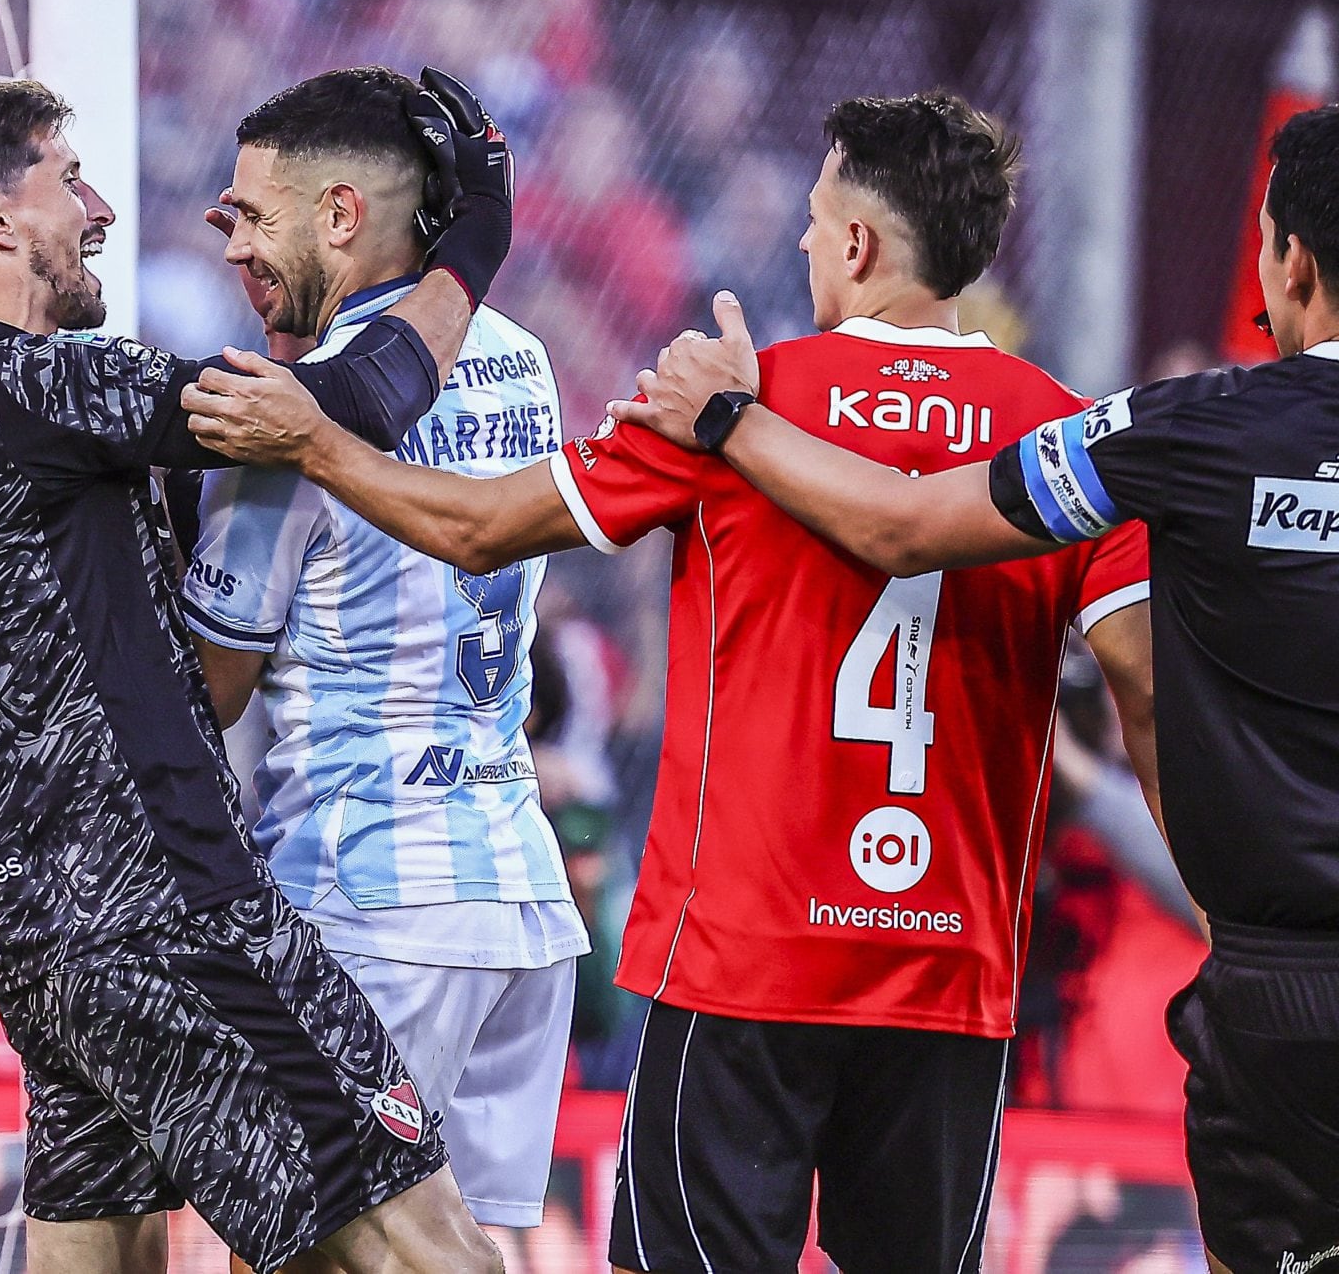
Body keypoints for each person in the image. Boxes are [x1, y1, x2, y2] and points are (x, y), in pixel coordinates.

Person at [182, 91, 1157, 1273]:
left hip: (731, 956)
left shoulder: (724, 402)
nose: (799, 243)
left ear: (855, 244)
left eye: (811, 220)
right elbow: (1142, 691)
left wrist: (313, 443)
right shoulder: (1063, 439)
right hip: (947, 971)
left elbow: (484, 527)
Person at [618, 103, 1339, 1274]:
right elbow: (1138, 683)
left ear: (1290, 260)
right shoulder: (1079, 409)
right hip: (968, 968)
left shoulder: (1179, 429)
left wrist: (726, 418)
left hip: (1261, 973)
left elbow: (903, 528)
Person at [0, 74, 516, 1274]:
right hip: (167, 907)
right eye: (66, 182)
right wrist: (476, 240)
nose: (98, 208)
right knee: (432, 1250)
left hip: (31, 929)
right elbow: (347, 406)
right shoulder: (41, 386)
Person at [176, 68, 587, 1269]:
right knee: (471, 1246)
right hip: (516, 894)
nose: (231, 246)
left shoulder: (283, 415)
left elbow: (214, 685)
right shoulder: (521, 356)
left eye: (253, 217)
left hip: (370, 894)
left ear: (343, 216)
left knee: (314, 1254)